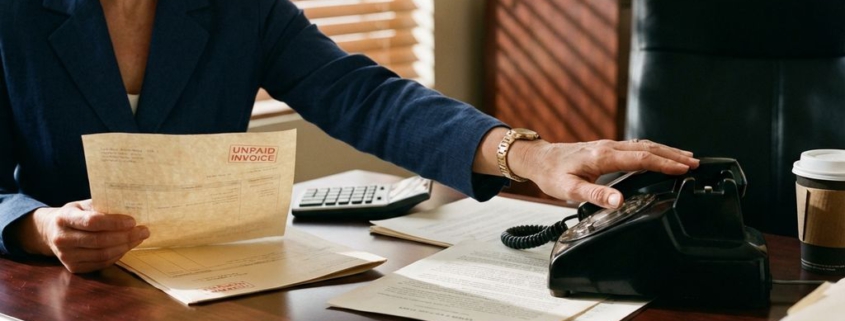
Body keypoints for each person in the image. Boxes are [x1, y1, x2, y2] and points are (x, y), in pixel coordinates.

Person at [0, 0, 700, 273]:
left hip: (204, 284)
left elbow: (359, 93)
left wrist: (524, 153)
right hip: (48, 293)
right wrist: (35, 224)